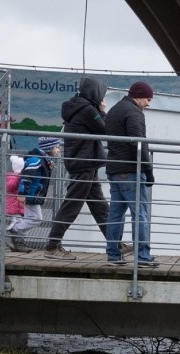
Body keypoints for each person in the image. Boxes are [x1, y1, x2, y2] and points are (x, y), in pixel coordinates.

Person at [44, 77, 127, 260]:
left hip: (84, 162)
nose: (103, 98)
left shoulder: (78, 107)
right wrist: (102, 111)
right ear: (95, 93)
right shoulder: (88, 110)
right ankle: (51, 246)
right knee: (72, 205)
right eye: (101, 94)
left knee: (100, 207)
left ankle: (116, 244)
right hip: (84, 163)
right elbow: (106, 130)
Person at [104, 81, 158, 267]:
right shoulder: (134, 112)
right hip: (130, 171)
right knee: (140, 214)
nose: (148, 104)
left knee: (115, 215)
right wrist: (148, 170)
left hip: (114, 170)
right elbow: (139, 143)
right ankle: (142, 256)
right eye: (148, 99)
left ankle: (113, 255)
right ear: (138, 96)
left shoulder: (114, 110)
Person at [7, 137, 60, 253]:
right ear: (49, 148)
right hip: (30, 195)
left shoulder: (42, 160)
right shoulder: (36, 160)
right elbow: (26, 178)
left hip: (33, 195)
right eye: (56, 147)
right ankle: (15, 231)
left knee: (32, 218)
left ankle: (17, 240)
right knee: (36, 218)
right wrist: (22, 193)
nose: (58, 150)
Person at [4, 155, 29, 252]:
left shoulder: (21, 178)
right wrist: (19, 177)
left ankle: (18, 243)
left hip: (21, 206)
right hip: (14, 207)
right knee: (16, 222)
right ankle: (9, 233)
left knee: (22, 224)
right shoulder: (12, 177)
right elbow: (11, 186)